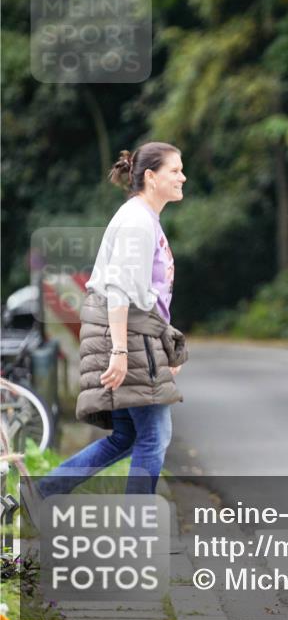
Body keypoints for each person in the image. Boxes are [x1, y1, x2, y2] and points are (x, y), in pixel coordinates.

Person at [30, 142, 188, 503]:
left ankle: (42, 491)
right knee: (154, 436)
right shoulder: (137, 222)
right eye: (175, 170)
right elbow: (118, 289)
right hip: (127, 339)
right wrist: (119, 351)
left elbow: (151, 294)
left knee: (129, 436)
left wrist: (165, 350)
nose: (183, 177)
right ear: (151, 177)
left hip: (137, 338)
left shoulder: (145, 218)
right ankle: (138, 527)